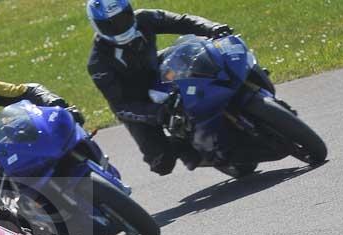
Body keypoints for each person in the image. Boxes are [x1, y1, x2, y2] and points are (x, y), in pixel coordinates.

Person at [85, 0, 233, 175]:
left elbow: (181, 21)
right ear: (96, 25)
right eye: (110, 24)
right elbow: (121, 106)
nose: (120, 26)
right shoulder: (98, 63)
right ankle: (185, 145)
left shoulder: (144, 18)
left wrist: (211, 27)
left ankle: (233, 97)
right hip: (138, 102)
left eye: (123, 18)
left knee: (200, 54)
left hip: (158, 70)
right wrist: (156, 112)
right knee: (161, 163)